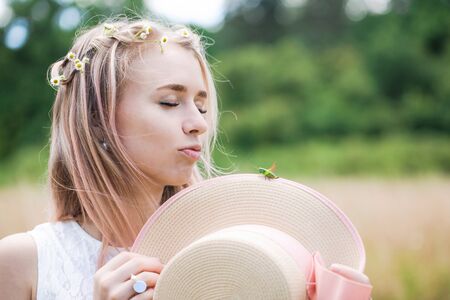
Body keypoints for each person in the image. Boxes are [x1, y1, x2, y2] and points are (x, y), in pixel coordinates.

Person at [0, 16, 371, 299]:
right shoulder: (22, 263)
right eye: (169, 102)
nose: (199, 124)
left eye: (202, 105)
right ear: (97, 119)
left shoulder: (243, 249)